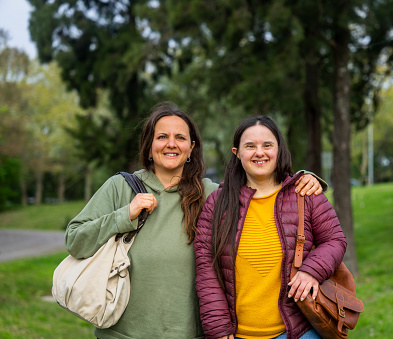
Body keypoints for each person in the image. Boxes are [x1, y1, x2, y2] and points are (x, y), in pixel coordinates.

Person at [64, 101, 325, 339]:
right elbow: (75, 240)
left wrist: (305, 178)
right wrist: (124, 215)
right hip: (123, 334)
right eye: (162, 137)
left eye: (180, 137)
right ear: (149, 146)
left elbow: (261, 184)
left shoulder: (211, 194)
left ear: (191, 148)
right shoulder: (120, 187)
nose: (171, 144)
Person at [194, 115, 347, 339]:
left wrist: (311, 271)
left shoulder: (305, 194)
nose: (259, 152)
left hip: (298, 332)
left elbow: (335, 240)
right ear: (237, 153)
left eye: (267, 145)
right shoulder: (217, 203)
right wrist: (218, 328)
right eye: (250, 146)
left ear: (279, 149)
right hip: (237, 334)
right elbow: (206, 268)